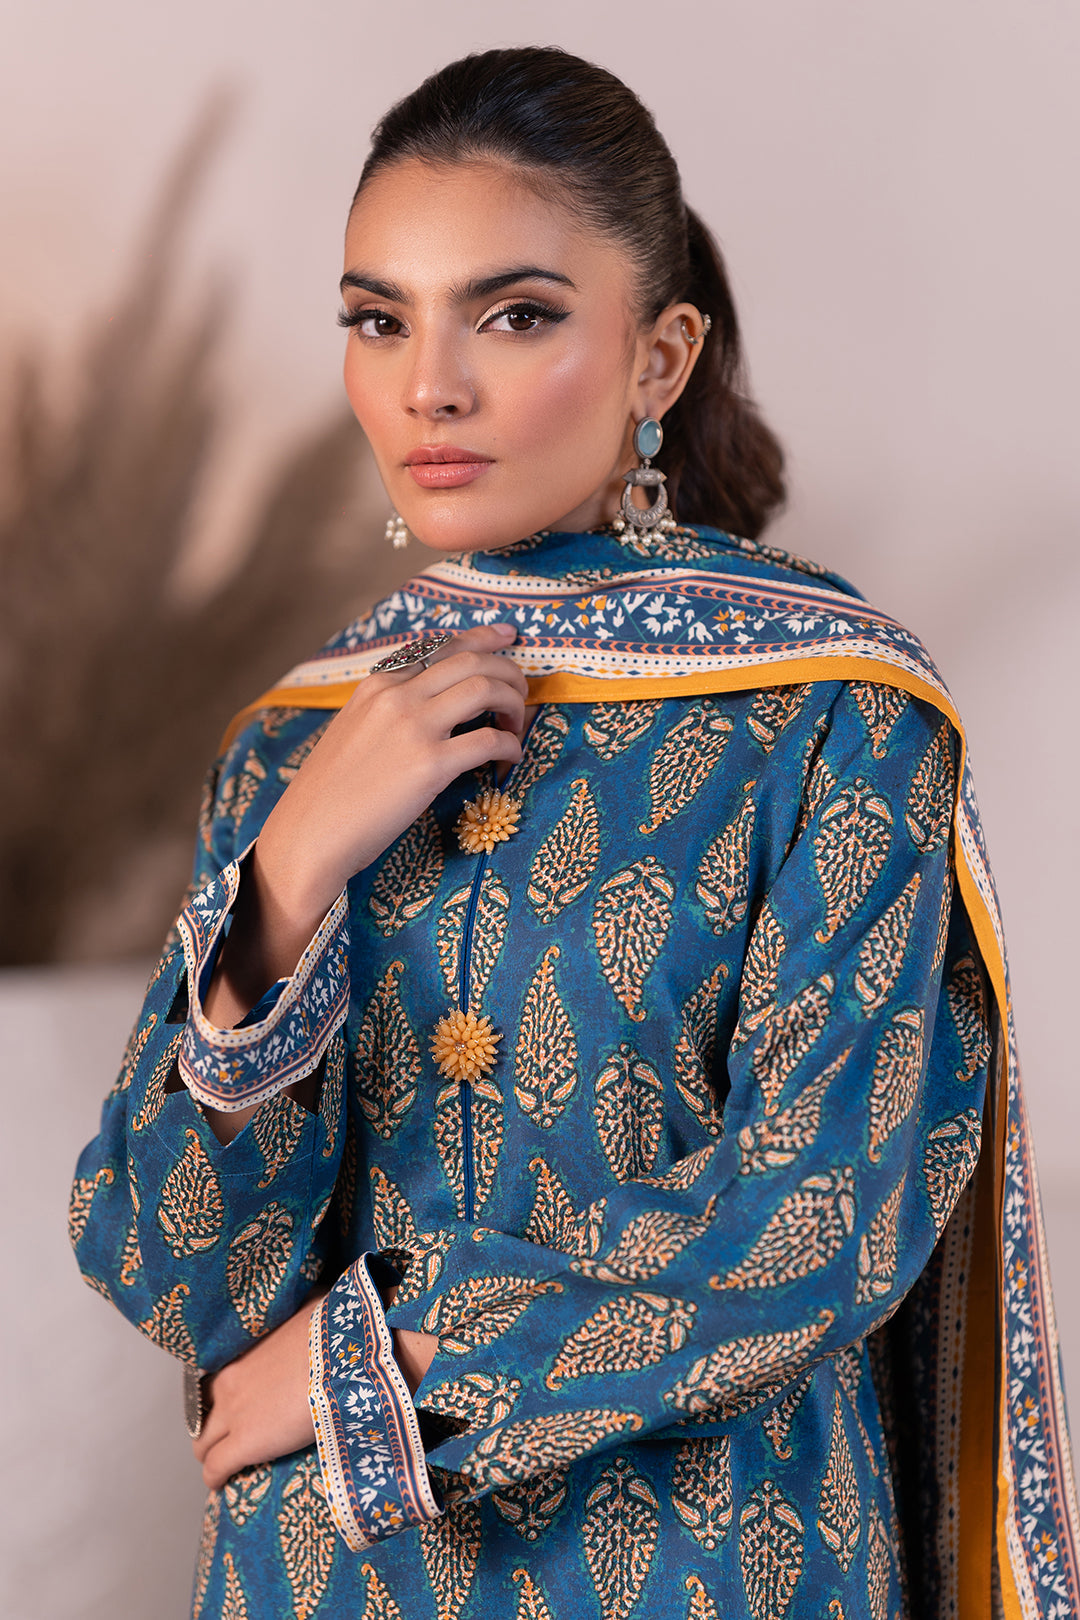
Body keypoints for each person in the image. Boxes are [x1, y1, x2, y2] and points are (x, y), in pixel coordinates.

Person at [71, 46, 1078, 1620]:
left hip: (716, 1564)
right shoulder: (292, 745)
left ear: (659, 356)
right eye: (379, 319)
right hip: (333, 1578)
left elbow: (817, 1219)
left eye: (514, 314)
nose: (430, 384)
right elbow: (172, 1271)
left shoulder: (831, 714)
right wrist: (285, 880)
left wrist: (375, 1370)